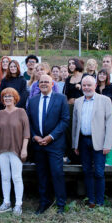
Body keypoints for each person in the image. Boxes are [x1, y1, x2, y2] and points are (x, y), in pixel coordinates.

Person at [27, 75, 70, 214]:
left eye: (47, 82)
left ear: (52, 84)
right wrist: (35, 136)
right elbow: (29, 122)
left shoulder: (61, 98)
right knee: (41, 174)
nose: (44, 84)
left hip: (55, 144)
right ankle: (44, 202)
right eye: (41, 82)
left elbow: (64, 120)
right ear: (38, 85)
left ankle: (61, 204)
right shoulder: (33, 101)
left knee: (57, 173)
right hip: (38, 144)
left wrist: (51, 137)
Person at [72, 76, 112, 208]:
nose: (86, 88)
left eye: (89, 85)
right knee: (87, 171)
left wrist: (108, 144)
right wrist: (75, 144)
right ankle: (91, 200)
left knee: (99, 172)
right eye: (84, 85)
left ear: (95, 86)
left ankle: (100, 201)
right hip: (83, 141)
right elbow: (75, 124)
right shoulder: (78, 102)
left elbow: (110, 123)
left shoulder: (105, 100)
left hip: (99, 142)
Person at [0, 88, 30, 216]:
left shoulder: (21, 111)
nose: (7, 98)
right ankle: (6, 202)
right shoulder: (0, 113)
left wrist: (24, 149)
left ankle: (18, 204)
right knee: (5, 177)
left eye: (10, 96)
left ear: (15, 98)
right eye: (5, 96)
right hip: (2, 150)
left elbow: (26, 133)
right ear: (2, 99)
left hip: (16, 149)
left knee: (17, 177)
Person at [95, 69, 112, 165]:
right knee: (98, 136)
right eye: (100, 74)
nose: (101, 75)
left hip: (110, 113)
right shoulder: (95, 88)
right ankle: (98, 158)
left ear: (107, 76)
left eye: (104, 74)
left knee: (110, 136)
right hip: (97, 115)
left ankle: (109, 160)